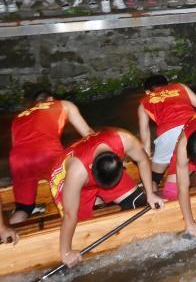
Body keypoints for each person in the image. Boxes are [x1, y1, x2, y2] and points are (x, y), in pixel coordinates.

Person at [49, 128, 164, 268]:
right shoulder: (76, 172)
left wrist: (150, 194)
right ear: (91, 168)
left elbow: (143, 160)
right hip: (67, 181)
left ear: (120, 161)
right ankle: (98, 204)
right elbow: (69, 214)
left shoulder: (125, 139)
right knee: (84, 232)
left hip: (105, 171)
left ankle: (103, 203)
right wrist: (65, 252)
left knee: (139, 201)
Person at [7, 91, 93, 225]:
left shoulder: (19, 116)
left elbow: (16, 145)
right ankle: (86, 221)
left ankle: (10, 239)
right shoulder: (63, 105)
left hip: (18, 160)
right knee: (79, 189)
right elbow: (88, 134)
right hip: (48, 153)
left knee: (23, 208)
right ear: (51, 99)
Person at [137, 75, 196, 186]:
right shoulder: (180, 86)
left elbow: (145, 132)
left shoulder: (144, 102)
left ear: (147, 91)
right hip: (193, 128)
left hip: (168, 136)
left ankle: (153, 198)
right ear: (168, 84)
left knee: (153, 178)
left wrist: (147, 155)